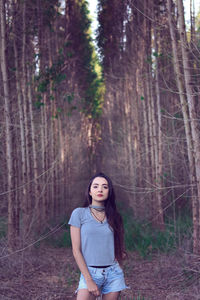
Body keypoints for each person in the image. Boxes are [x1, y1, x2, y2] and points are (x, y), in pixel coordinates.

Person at [68, 172, 128, 300]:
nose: (100, 189)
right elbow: (76, 250)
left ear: (109, 192)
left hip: (113, 273)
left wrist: (120, 255)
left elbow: (119, 246)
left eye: (105, 187)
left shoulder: (115, 216)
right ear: (89, 191)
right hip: (90, 272)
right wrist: (89, 280)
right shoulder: (79, 213)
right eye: (95, 186)